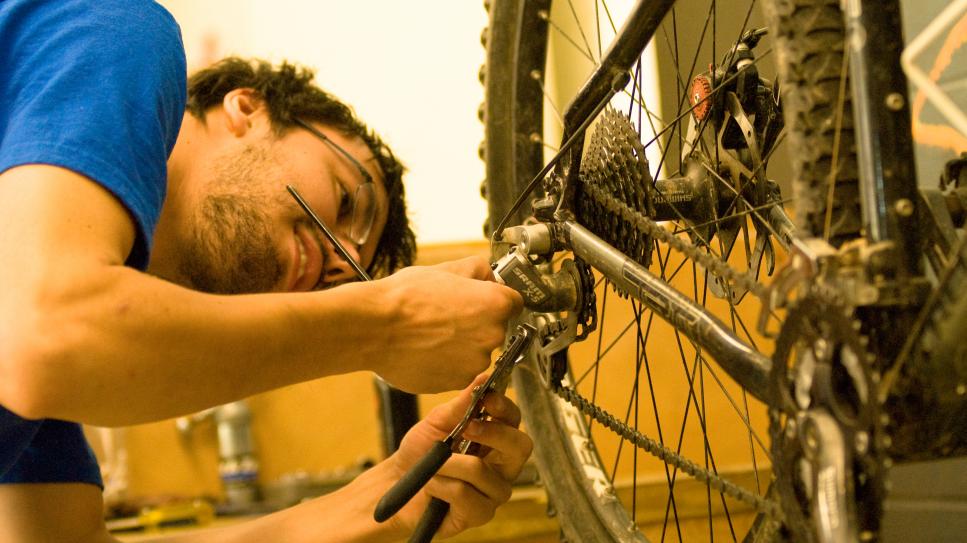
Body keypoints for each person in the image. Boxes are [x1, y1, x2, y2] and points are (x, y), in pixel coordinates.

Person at [0, 0, 530, 541]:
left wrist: (389, 498)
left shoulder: (63, 352)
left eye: (341, 284)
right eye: (349, 202)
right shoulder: (115, 30)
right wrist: (388, 323)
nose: (333, 258)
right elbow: (42, 339)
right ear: (246, 110)